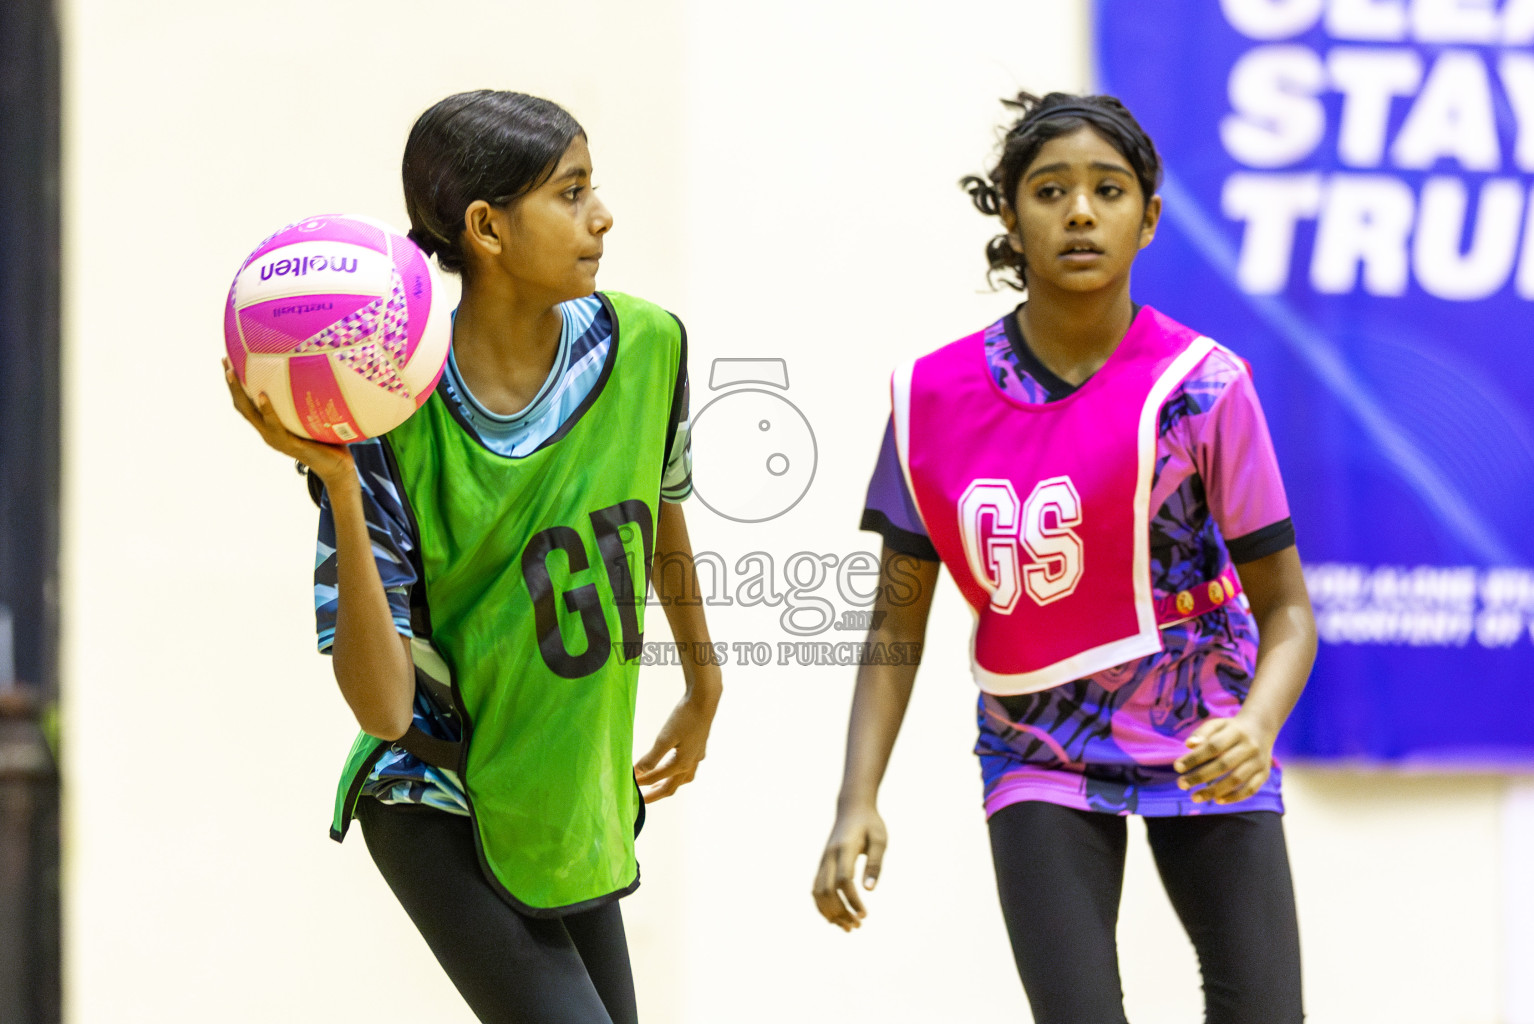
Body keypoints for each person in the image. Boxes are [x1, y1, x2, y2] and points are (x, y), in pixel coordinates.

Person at [812, 91, 1316, 1024]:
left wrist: (1258, 723)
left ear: (1148, 217)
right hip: (1037, 743)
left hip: (1205, 731)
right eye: (1050, 191)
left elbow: (1287, 609)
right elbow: (896, 619)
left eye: (1108, 190)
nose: (1080, 211)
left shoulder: (1203, 388)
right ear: (1011, 214)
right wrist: (857, 799)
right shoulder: (933, 396)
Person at [224, 90, 721, 1024]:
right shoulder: (388, 416)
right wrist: (337, 482)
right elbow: (382, 705)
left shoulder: (652, 345)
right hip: (436, 793)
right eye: (571, 193)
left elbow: (660, 516)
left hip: (565, 794)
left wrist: (704, 683)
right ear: (487, 229)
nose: (603, 215)